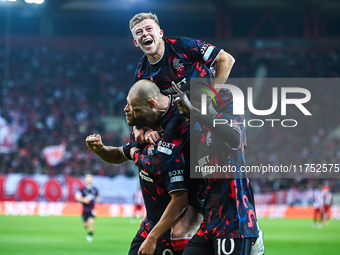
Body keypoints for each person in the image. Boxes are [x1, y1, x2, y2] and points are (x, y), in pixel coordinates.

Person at [86, 80, 199, 254]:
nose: (126, 110)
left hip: (166, 230)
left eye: (134, 109)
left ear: (151, 109)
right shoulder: (141, 138)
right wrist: (100, 149)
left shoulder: (170, 148)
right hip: (150, 226)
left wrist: (153, 237)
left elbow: (180, 198)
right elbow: (117, 154)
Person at [172, 84, 263, 255]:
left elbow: (234, 137)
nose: (184, 114)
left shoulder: (228, 121)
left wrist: (193, 110)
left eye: (186, 109)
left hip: (234, 222)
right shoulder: (199, 135)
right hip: (210, 222)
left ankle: (254, 234)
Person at [74, 173, 101, 242]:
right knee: (85, 224)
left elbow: (98, 197)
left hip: (91, 209)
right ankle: (87, 226)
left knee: (91, 221)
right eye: (87, 178)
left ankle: (90, 235)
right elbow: (77, 197)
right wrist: (84, 200)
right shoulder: (82, 189)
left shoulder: (95, 189)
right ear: (85, 179)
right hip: (84, 209)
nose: (89, 180)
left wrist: (98, 200)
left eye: (90, 178)